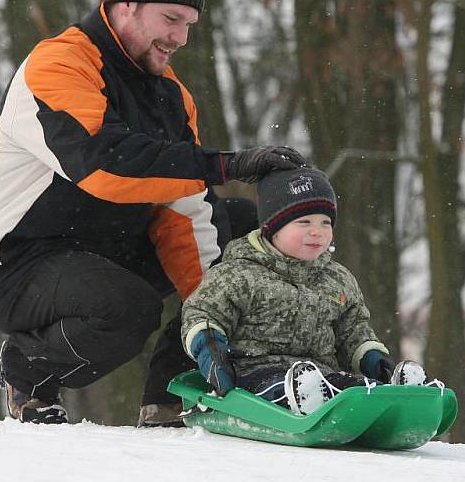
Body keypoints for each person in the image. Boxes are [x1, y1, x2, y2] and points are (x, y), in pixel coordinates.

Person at [0, 0, 306, 426]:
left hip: (109, 250)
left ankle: (172, 392)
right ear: (127, 6)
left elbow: (187, 213)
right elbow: (104, 164)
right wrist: (226, 165)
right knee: (129, 308)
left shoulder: (173, 97)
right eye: (171, 20)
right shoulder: (57, 65)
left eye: (189, 25)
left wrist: (211, 324)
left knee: (247, 234)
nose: (181, 39)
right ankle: (28, 372)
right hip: (19, 262)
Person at [180, 167, 427, 415]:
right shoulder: (238, 274)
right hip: (254, 372)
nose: (317, 231)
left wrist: (374, 359)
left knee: (353, 387)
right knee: (277, 387)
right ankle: (309, 402)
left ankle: (395, 399)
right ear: (272, 228)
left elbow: (352, 330)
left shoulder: (338, 279)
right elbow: (204, 314)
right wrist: (211, 351)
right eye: (304, 222)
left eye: (325, 222)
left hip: (322, 373)